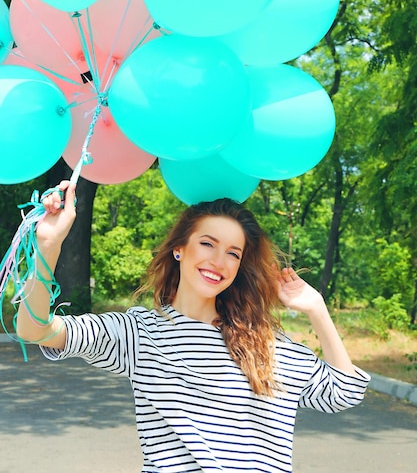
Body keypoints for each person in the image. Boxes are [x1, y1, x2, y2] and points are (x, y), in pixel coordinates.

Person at [17, 180, 370, 473]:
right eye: (207, 243)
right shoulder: (139, 334)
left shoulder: (264, 340)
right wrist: (49, 245)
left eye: (233, 252)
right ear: (179, 250)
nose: (219, 261)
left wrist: (318, 310)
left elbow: (344, 392)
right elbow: (35, 330)